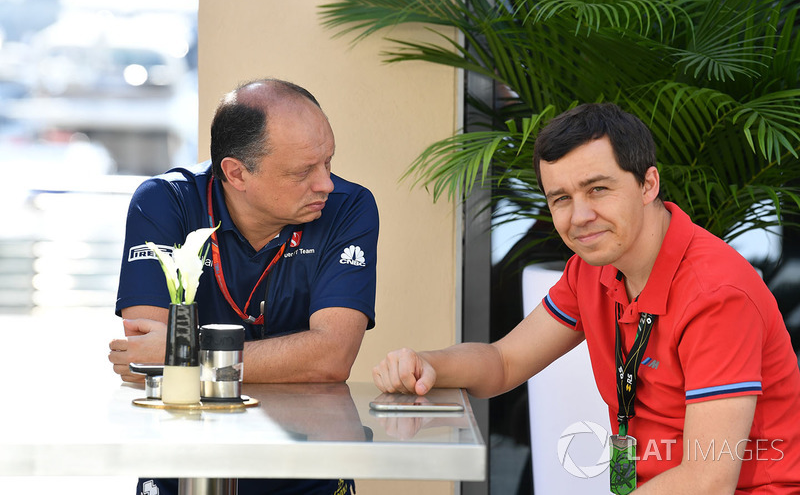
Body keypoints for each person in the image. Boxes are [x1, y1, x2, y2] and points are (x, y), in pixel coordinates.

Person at [373, 103, 800, 493]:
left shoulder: (716, 294)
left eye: (597, 189)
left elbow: (708, 479)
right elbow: (504, 362)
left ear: (648, 183)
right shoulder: (593, 267)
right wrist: (430, 364)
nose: (579, 217)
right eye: (561, 198)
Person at [108, 78, 379, 495]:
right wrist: (287, 357)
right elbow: (148, 363)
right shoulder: (164, 201)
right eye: (303, 171)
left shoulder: (349, 207)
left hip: (308, 475)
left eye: (328, 161)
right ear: (236, 173)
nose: (325, 183)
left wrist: (188, 355)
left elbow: (332, 356)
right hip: (182, 469)